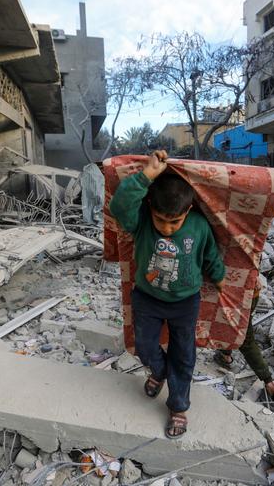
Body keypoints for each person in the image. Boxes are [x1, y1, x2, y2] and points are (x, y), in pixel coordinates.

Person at [109, 150, 225, 439]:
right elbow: (120, 206)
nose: (167, 228)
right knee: (146, 349)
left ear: (189, 211)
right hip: (147, 298)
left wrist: (221, 278)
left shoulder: (199, 225)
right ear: (150, 208)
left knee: (184, 355)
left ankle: (178, 407)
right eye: (161, 220)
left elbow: (210, 255)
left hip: (186, 303)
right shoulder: (141, 223)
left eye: (175, 222)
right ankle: (159, 371)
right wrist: (148, 174)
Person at [214, 278, 274, 404]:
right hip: (251, 291)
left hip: (231, 290)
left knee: (243, 338)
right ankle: (225, 354)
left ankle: (269, 382)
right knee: (233, 325)